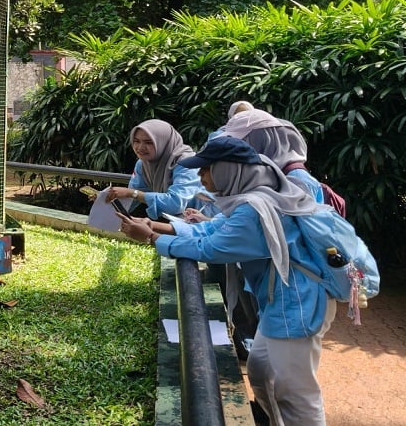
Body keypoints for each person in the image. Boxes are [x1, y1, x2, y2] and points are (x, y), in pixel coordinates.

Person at [117, 136, 337, 425]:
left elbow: (210, 248)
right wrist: (153, 225)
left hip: (299, 303)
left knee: (297, 394)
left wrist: (151, 238)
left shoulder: (255, 209)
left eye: (206, 170)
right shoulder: (249, 198)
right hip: (281, 301)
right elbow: (209, 231)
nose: (201, 177)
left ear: (228, 170)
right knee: (259, 371)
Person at [106, 119, 208, 220]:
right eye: (136, 141)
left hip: (211, 220)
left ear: (163, 142)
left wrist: (133, 194)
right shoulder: (143, 164)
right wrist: (107, 200)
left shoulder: (187, 162)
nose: (140, 147)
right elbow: (131, 200)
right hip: (188, 222)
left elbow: (176, 204)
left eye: (149, 142)